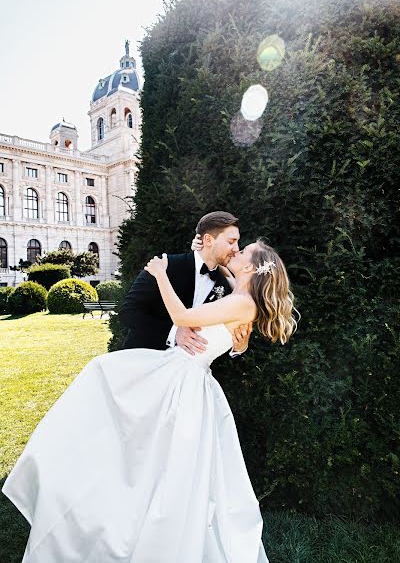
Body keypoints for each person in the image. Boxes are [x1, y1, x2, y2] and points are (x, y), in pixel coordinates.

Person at [2, 235, 298, 563]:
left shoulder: (242, 302)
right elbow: (225, 275)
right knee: (142, 443)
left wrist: (160, 274)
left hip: (183, 380)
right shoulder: (239, 293)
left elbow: (184, 318)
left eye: (243, 252)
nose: (236, 252)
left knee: (127, 414)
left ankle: (139, 527)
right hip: (184, 376)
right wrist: (201, 249)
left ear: (253, 267)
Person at [119, 211, 252, 356]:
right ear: (208, 240)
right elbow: (128, 312)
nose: (236, 249)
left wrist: (239, 349)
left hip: (188, 374)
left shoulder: (226, 287)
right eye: (231, 242)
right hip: (142, 361)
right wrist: (174, 333)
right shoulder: (165, 266)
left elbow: (220, 339)